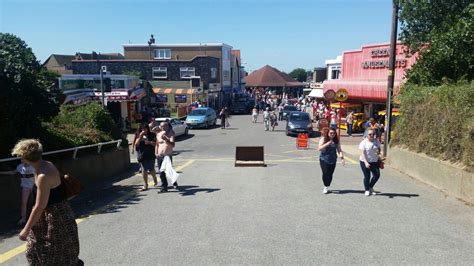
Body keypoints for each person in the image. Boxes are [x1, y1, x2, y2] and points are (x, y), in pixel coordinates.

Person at [11, 139, 81, 265]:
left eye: (20, 156)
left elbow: (39, 206)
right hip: (60, 213)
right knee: (62, 253)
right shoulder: (46, 164)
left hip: (53, 218)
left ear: (25, 157)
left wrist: (25, 230)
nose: (20, 159)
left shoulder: (43, 175)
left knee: (48, 254)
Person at [318, 128, 345, 194]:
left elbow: (339, 150)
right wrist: (328, 143)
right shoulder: (323, 139)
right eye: (331, 133)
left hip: (333, 160)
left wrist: (342, 158)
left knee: (330, 174)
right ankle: (325, 186)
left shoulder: (336, 140)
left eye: (334, 133)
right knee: (325, 173)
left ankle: (327, 185)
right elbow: (319, 148)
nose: (332, 134)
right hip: (324, 159)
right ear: (328, 133)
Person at [155, 122, 177, 193]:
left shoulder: (171, 134)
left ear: (167, 126)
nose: (163, 128)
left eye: (164, 126)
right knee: (161, 172)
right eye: (161, 126)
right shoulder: (158, 134)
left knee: (168, 171)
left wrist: (166, 140)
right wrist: (156, 153)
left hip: (167, 156)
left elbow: (173, 145)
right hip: (160, 156)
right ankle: (164, 187)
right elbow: (157, 144)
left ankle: (174, 181)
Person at [359, 128, 382, 196]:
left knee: (377, 175)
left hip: (374, 161)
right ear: (367, 135)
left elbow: (379, 150)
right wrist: (366, 162)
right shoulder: (364, 142)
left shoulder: (376, 141)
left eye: (373, 134)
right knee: (367, 176)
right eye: (370, 134)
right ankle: (367, 190)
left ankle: (370, 187)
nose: (372, 135)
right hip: (364, 161)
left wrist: (380, 156)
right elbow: (362, 153)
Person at [135, 124, 158, 191]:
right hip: (142, 155)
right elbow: (137, 144)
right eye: (142, 129)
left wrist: (150, 143)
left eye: (145, 129)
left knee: (151, 169)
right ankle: (145, 184)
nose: (144, 130)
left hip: (151, 154)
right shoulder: (138, 135)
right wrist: (140, 136)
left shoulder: (152, 135)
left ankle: (154, 178)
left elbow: (156, 144)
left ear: (148, 128)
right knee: (144, 169)